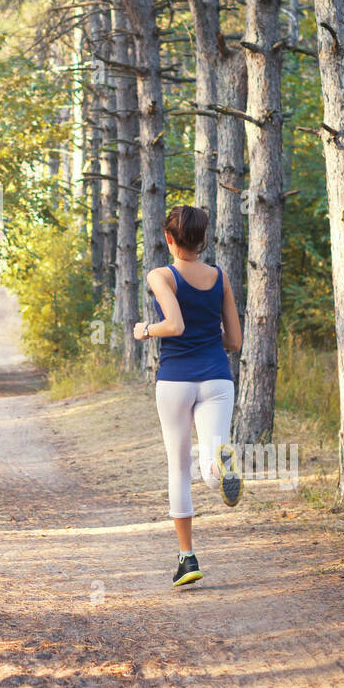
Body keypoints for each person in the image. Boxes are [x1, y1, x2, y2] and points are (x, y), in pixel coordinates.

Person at [133, 205, 243, 588]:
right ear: (203, 239)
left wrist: (145, 330)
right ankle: (221, 466)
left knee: (178, 468)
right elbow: (235, 340)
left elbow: (174, 324)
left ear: (169, 238)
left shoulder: (161, 275)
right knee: (212, 460)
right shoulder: (220, 277)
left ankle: (188, 558)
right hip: (217, 378)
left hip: (176, 379)